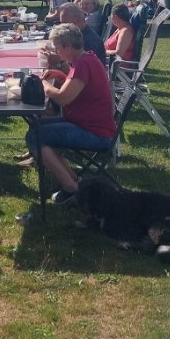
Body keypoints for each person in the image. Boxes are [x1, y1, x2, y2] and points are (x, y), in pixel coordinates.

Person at [27, 23, 116, 205]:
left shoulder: (83, 64)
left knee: (35, 135)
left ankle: (71, 187)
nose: (56, 52)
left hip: (95, 133)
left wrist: (44, 85)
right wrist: (61, 75)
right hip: (92, 125)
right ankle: (74, 180)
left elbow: (63, 98)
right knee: (36, 127)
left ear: (67, 46)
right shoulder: (86, 58)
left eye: (57, 48)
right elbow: (78, 85)